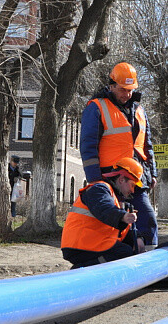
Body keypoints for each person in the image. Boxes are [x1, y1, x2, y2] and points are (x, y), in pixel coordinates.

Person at [80, 62, 158, 251]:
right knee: (115, 224)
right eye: (123, 90)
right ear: (111, 85)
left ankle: (152, 266)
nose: (127, 94)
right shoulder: (96, 107)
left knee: (147, 220)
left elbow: (146, 144)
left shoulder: (139, 111)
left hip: (136, 179)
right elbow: (88, 146)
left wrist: (152, 173)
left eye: (131, 90)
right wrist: (95, 181)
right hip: (110, 179)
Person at [61, 157, 144, 268]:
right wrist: (123, 216)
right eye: (132, 185)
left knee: (128, 249)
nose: (133, 191)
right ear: (122, 179)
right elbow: (104, 208)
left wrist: (137, 239)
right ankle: (81, 270)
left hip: (91, 242)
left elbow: (123, 229)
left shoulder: (113, 196)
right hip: (80, 245)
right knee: (123, 252)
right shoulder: (99, 189)